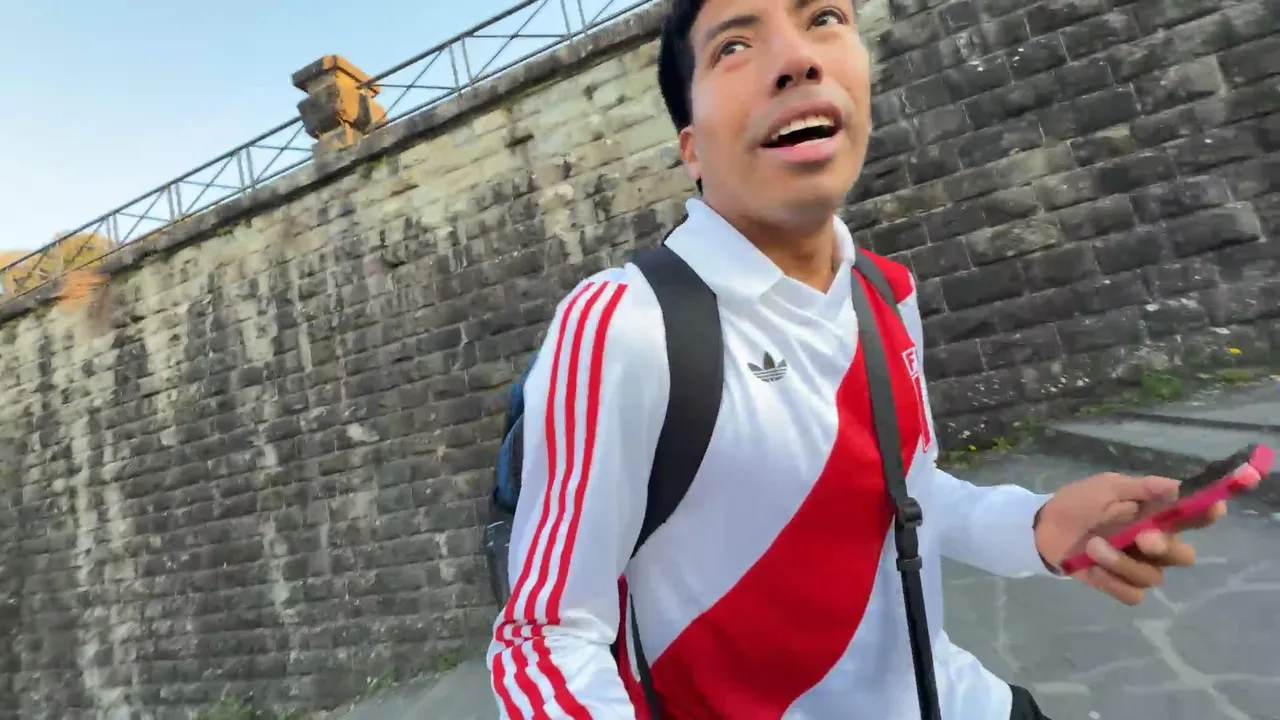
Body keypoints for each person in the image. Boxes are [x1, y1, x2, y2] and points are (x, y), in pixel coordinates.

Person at [485, 0, 1235, 717]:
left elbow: (907, 492)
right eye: (734, 46)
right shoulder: (623, 324)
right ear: (692, 150)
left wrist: (1035, 524)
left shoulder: (886, 291)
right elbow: (545, 639)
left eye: (825, 19)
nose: (797, 59)